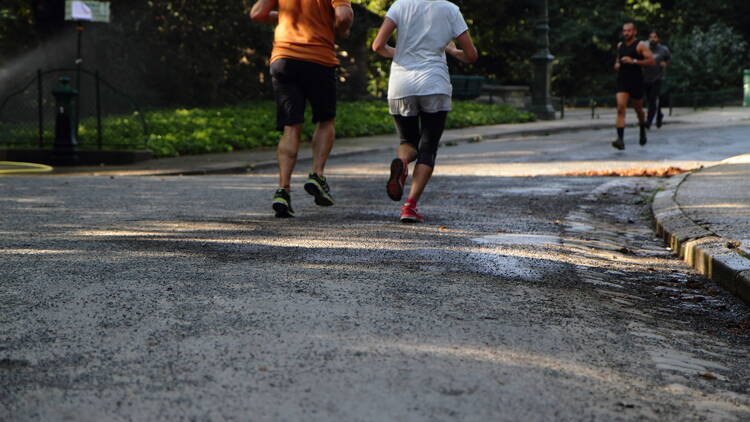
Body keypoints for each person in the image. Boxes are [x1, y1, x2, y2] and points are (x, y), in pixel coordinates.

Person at [372, 0, 477, 223]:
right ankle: (410, 207)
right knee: (427, 149)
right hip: (434, 84)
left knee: (408, 141)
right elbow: (471, 55)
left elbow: (378, 46)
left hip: (402, 83)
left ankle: (401, 165)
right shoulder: (450, 9)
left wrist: (403, 54)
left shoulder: (399, 6)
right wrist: (451, 51)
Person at [250, 0, 354, 218]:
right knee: (325, 120)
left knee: (291, 126)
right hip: (319, 59)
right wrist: (340, 30)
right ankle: (317, 174)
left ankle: (283, 190)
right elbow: (344, 16)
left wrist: (285, 16)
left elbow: (257, 13)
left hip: (284, 59)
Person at [612, 22, 655, 150]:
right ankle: (620, 140)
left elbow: (651, 61)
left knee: (638, 109)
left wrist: (634, 61)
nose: (626, 33)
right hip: (622, 80)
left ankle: (642, 128)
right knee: (620, 108)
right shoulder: (620, 45)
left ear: (634, 31)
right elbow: (617, 60)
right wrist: (617, 65)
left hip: (636, 80)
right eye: (624, 31)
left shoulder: (640, 45)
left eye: (629, 31)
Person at [644, 30, 671, 129]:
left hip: (658, 78)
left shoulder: (663, 49)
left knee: (652, 99)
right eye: (650, 37)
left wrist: (666, 63)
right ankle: (659, 114)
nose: (652, 39)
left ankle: (648, 121)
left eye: (654, 37)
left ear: (658, 38)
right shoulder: (645, 48)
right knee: (650, 99)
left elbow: (669, 59)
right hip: (646, 77)